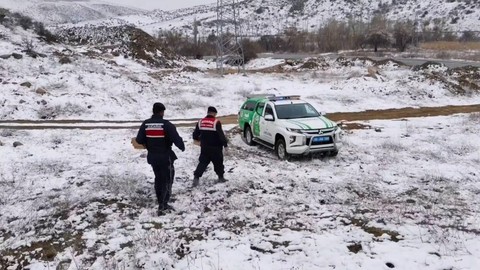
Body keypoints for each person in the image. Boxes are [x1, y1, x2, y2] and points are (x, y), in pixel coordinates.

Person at [136, 102, 185, 216]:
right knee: (167, 180)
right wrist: (182, 146)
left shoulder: (146, 124)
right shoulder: (166, 124)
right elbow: (176, 139)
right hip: (165, 157)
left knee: (158, 179)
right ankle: (163, 205)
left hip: (153, 157)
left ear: (153, 111)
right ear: (162, 112)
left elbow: (139, 140)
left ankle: (160, 201)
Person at [192, 106, 228, 187]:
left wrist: (198, 140)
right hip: (216, 148)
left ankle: (196, 177)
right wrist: (225, 145)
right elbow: (221, 135)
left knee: (203, 162)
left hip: (204, 147)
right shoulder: (216, 122)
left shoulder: (200, 122)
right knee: (218, 163)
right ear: (214, 113)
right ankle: (221, 177)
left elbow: (195, 135)